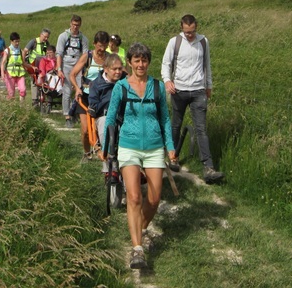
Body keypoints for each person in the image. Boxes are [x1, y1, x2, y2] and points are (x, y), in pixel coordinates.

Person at [103, 43, 176, 270]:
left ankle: (139, 229)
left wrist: (170, 146)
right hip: (129, 145)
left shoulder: (157, 87)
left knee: (153, 199)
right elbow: (111, 119)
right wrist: (106, 147)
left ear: (148, 62)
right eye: (136, 60)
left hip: (154, 146)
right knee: (134, 197)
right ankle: (137, 249)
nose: (141, 64)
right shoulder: (121, 88)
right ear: (130, 63)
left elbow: (165, 118)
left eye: (144, 60)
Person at [161, 14, 224, 184]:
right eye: (187, 32)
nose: (190, 35)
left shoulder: (203, 41)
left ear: (197, 28)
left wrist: (208, 86)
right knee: (176, 124)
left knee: (201, 129)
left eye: (193, 31)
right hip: (179, 90)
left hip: (198, 91)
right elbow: (166, 64)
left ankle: (208, 168)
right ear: (182, 29)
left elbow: (207, 64)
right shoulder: (175, 42)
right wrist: (167, 81)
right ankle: (173, 158)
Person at [69, 31, 110, 161]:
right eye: (99, 46)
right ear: (94, 44)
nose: (101, 50)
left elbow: (121, 72)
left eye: (104, 46)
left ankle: (105, 152)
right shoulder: (87, 57)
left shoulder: (110, 58)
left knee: (102, 127)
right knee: (86, 130)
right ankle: (87, 153)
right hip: (85, 96)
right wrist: (76, 88)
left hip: (102, 98)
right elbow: (72, 74)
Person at [88, 53, 125, 176]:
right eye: (114, 69)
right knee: (105, 124)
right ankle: (108, 158)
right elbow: (93, 105)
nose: (118, 72)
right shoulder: (96, 84)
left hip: (123, 116)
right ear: (106, 69)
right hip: (104, 116)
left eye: (120, 68)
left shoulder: (126, 82)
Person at [55, 15, 89, 128]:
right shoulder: (63, 36)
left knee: (79, 90)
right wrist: (59, 69)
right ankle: (67, 116)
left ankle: (76, 112)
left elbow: (85, 55)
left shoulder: (83, 39)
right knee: (67, 91)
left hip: (78, 66)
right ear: (70, 24)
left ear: (80, 25)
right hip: (66, 65)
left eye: (77, 25)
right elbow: (59, 53)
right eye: (73, 24)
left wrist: (84, 69)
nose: (75, 27)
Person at [22, 28, 51, 107]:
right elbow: (24, 51)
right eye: (45, 37)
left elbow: (48, 53)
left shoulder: (46, 43)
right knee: (34, 82)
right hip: (33, 65)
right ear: (41, 35)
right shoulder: (33, 42)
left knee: (44, 81)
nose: (46, 39)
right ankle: (34, 100)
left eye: (47, 37)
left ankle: (44, 99)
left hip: (43, 66)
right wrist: (24, 63)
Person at [0, 32, 26, 100]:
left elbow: (24, 63)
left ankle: (21, 107)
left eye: (18, 41)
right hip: (10, 74)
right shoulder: (7, 51)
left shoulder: (21, 51)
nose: (17, 43)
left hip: (20, 73)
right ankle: (11, 108)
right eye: (15, 41)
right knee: (11, 94)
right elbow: (3, 63)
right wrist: (2, 73)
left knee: (23, 90)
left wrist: (32, 67)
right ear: (11, 41)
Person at [37, 45, 59, 110]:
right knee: (51, 76)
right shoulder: (43, 60)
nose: (48, 54)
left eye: (50, 53)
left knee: (58, 77)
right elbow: (42, 70)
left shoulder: (58, 60)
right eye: (47, 53)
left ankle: (60, 90)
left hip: (57, 76)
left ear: (54, 53)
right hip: (47, 77)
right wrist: (42, 75)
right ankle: (53, 89)